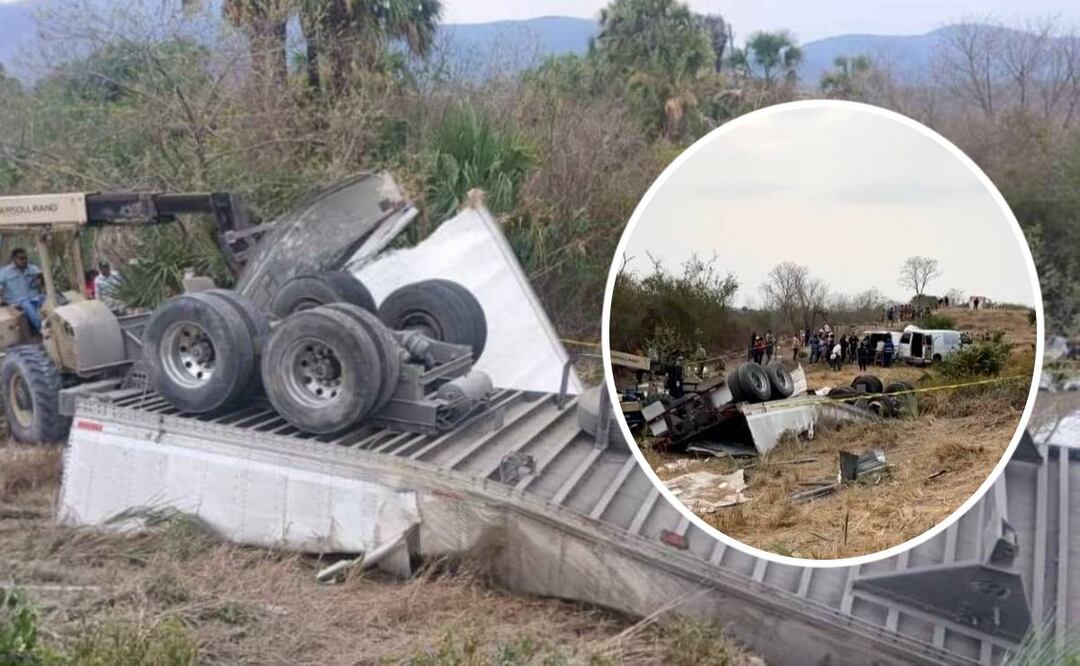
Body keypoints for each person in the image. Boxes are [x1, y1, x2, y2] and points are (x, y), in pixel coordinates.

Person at [0, 248, 45, 334]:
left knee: (50, 298)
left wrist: (40, 281)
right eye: (21, 258)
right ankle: (42, 329)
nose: (24, 260)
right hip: (17, 301)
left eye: (25, 258)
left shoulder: (33, 268)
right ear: (13, 259)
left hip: (34, 297)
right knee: (26, 304)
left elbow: (42, 280)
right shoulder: (4, 272)